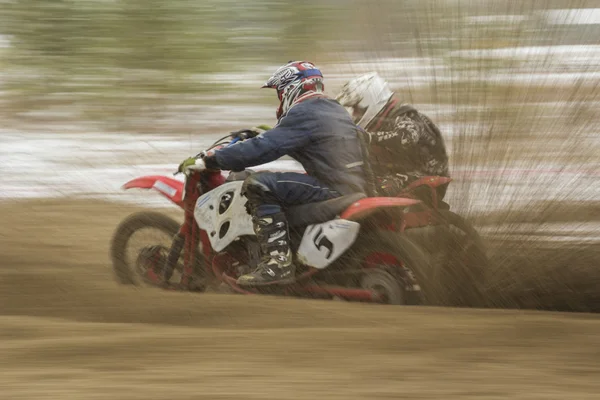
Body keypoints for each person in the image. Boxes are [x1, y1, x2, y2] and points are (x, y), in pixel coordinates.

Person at [178, 61, 367, 286]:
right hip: (351, 185)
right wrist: (273, 133)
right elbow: (319, 148)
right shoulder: (333, 109)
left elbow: (263, 149)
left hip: (330, 188)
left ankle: (277, 264)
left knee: (258, 184)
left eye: (280, 92)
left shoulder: (305, 111)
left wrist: (211, 159)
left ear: (291, 87)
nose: (280, 98)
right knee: (276, 180)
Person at [335, 72, 450, 200]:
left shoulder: (405, 116)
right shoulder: (376, 123)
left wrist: (369, 138)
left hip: (426, 177)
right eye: (352, 109)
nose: (355, 114)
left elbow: (406, 137)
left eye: (356, 108)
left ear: (370, 100)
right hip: (397, 174)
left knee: (374, 189)